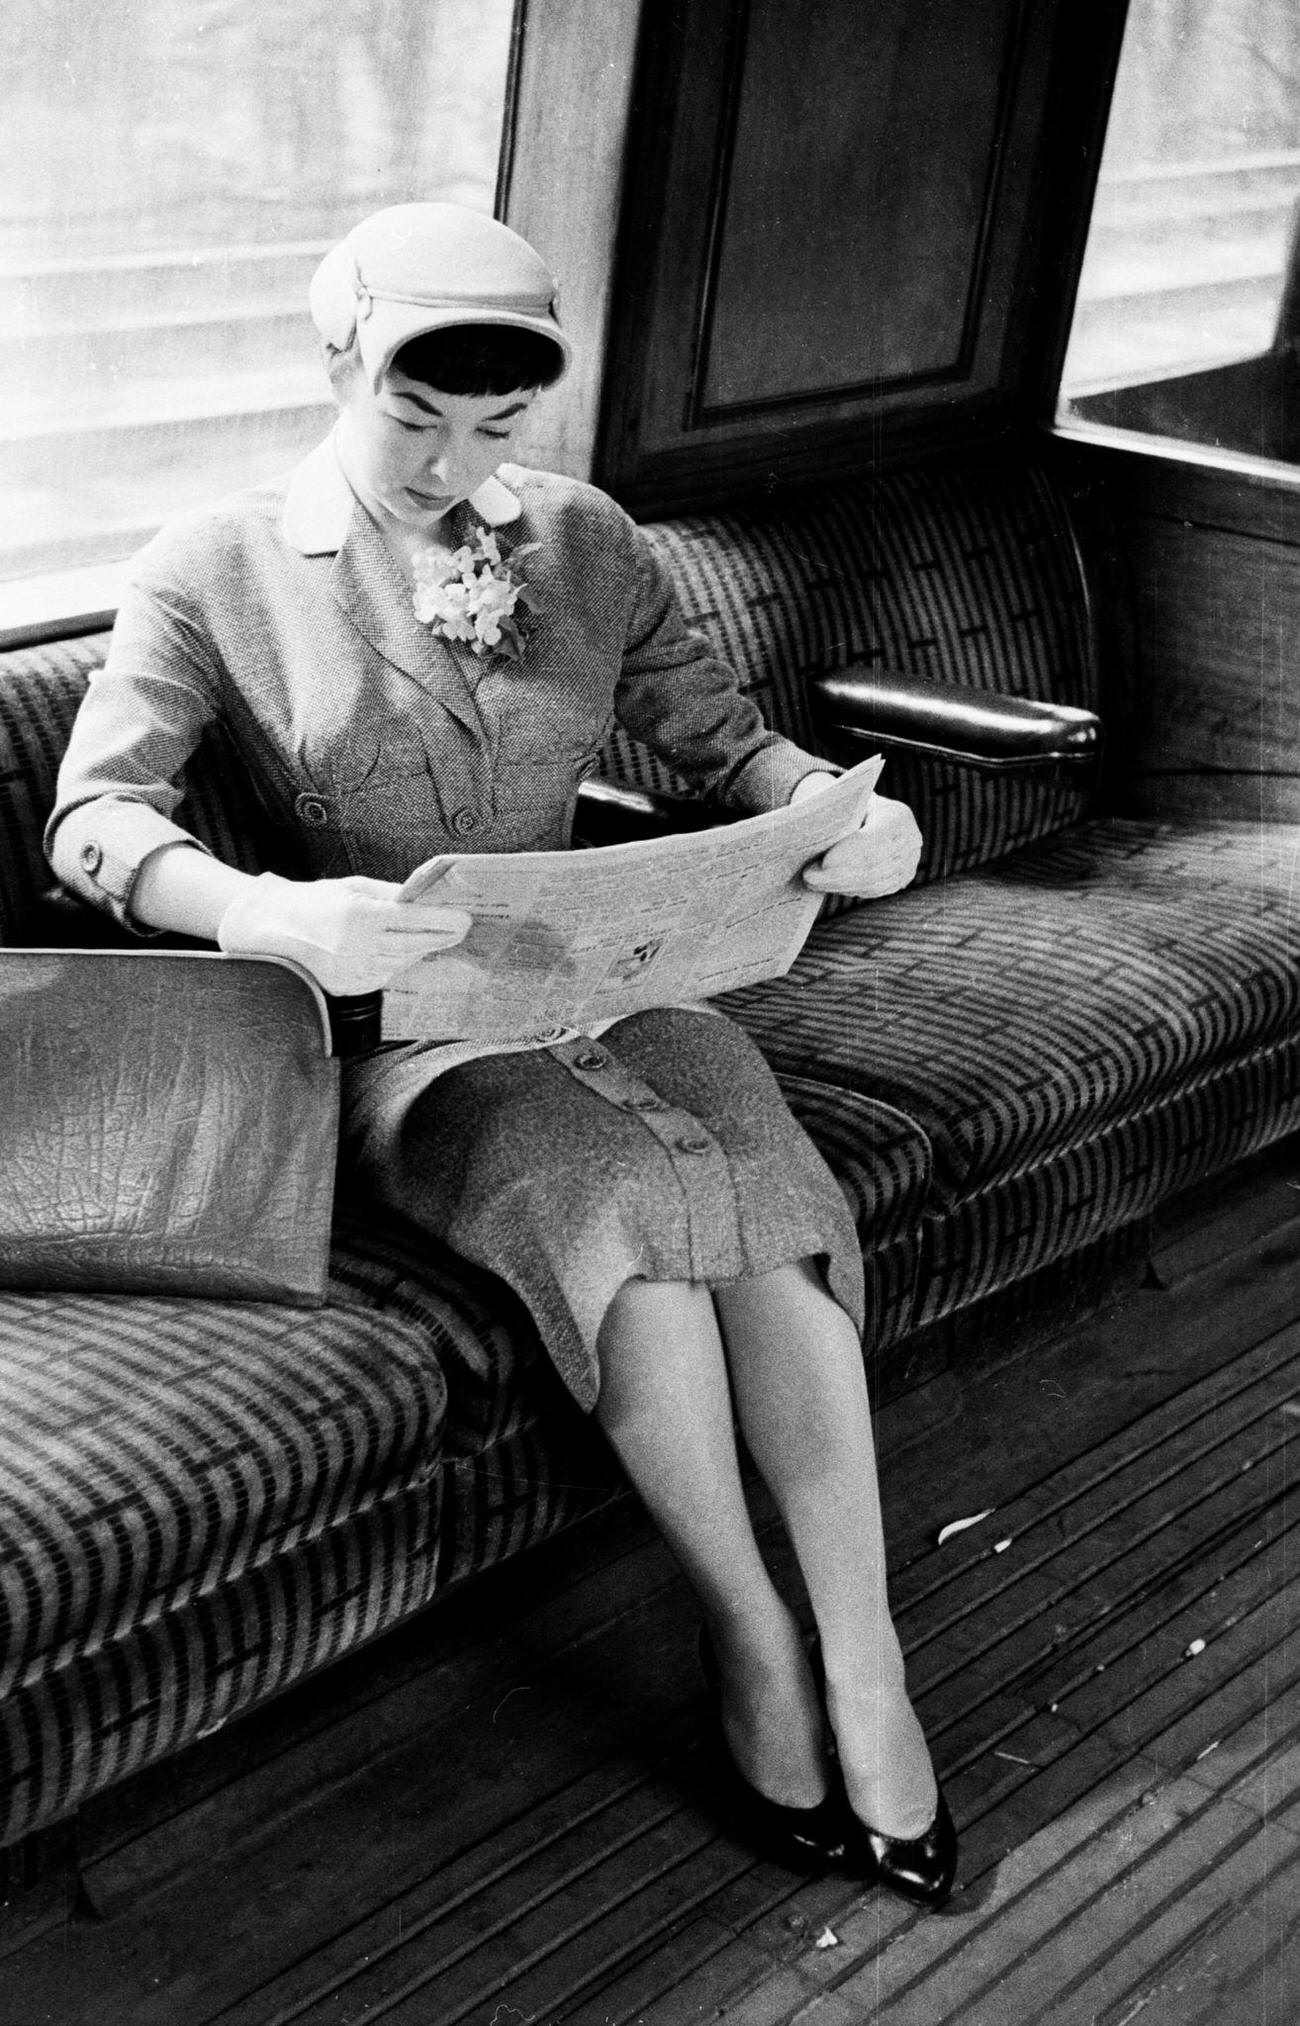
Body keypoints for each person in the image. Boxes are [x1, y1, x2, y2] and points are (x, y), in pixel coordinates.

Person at [47, 203, 956, 1906]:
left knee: (762, 1185)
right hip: (397, 1048)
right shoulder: (217, 564)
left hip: (626, 985)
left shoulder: (588, 543)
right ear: (337, 362)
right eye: (414, 416)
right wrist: (267, 913)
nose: (454, 464)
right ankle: (750, 1632)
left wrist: (832, 820)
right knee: (621, 1189)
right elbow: (93, 822)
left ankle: (865, 1653)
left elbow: (725, 746)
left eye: (496, 428)